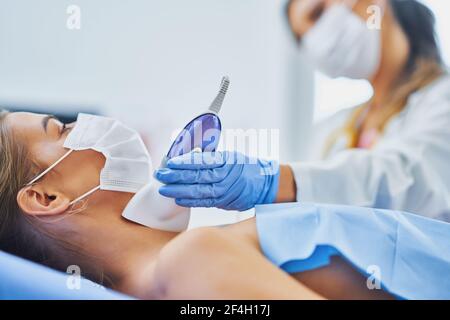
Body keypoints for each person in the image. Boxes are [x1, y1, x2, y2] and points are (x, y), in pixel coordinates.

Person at [2, 111, 450, 300]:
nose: (90, 125)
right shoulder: (189, 260)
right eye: (60, 129)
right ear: (45, 198)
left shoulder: (181, 269)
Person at [155, 0, 450, 221]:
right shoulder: (334, 129)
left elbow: (415, 182)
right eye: (303, 37)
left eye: (318, 14)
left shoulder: (442, 99)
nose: (316, 42)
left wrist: (276, 181)